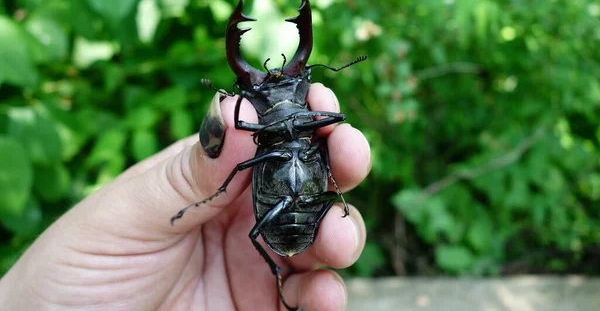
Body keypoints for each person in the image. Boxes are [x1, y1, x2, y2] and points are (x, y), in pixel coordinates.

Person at [0, 83, 370, 310]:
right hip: (280, 222)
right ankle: (275, 271)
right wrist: (215, 191)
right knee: (274, 228)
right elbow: (240, 138)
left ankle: (297, 242)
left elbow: (332, 123)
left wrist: (333, 189)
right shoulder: (258, 144)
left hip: (295, 218)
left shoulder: (308, 142)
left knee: (337, 193)